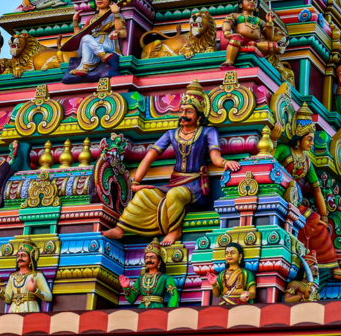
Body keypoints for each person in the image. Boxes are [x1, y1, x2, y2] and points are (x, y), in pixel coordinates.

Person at [102, 81, 241, 245]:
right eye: (182, 111)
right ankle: (120, 229)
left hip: (194, 185)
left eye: (189, 111)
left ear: (199, 116)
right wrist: (136, 182)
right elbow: (149, 156)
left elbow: (215, 157)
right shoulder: (171, 134)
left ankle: (175, 231)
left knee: (174, 195)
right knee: (143, 195)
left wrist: (226, 162)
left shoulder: (207, 132)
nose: (184, 114)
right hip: (174, 182)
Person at [273, 104, 341, 285]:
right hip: (276, 197)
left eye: (312, 139)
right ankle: (304, 256)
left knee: (319, 223)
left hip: (295, 202)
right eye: (308, 139)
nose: (311, 143)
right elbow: (267, 162)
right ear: (298, 138)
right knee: (310, 220)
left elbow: (317, 189)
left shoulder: (307, 161)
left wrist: (325, 216)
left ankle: (331, 266)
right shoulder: (284, 151)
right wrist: (274, 141)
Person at [70, 0, 127, 77]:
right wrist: (75, 22)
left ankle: (87, 66)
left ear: (110, 0)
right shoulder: (92, 19)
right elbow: (79, 37)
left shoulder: (114, 15)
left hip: (106, 43)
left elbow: (123, 33)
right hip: (93, 45)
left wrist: (116, 27)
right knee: (85, 39)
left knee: (87, 39)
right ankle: (99, 57)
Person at [0, 239, 53, 313]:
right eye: (18, 256)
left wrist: (35, 290)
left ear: (30, 260)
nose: (20, 258)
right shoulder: (12, 276)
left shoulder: (36, 275)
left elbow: (49, 297)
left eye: (23, 256)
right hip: (13, 310)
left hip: (30, 309)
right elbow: (8, 299)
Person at [119, 239, 179, 308]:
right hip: (142, 310)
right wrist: (126, 288)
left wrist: (169, 311)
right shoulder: (140, 279)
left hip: (158, 310)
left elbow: (174, 295)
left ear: (159, 261)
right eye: (146, 258)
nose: (149, 260)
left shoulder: (165, 278)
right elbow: (131, 300)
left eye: (152, 257)